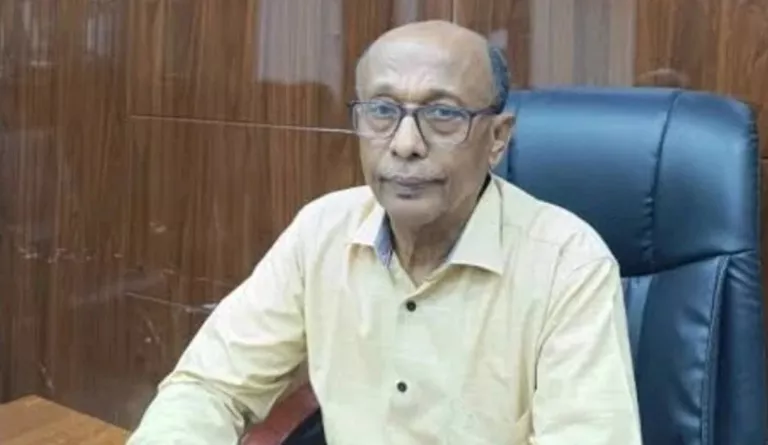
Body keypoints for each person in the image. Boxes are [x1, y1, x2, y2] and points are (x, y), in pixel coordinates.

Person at [128, 20, 642, 445]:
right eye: (381, 111)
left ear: (497, 138)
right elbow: (209, 388)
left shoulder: (568, 263)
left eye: (442, 114)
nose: (405, 144)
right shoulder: (321, 230)